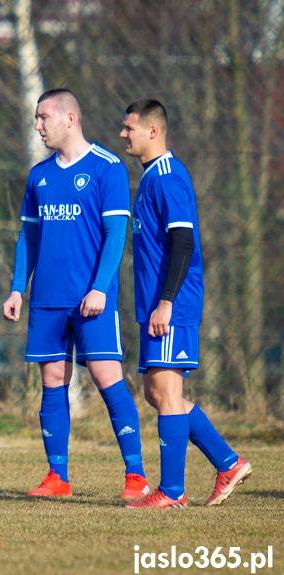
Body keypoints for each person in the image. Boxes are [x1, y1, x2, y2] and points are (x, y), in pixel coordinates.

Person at [2, 89, 150, 500]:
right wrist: (18, 288)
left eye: (43, 117)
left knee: (107, 379)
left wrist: (100, 288)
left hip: (91, 300)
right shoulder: (39, 176)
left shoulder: (108, 169)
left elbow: (115, 233)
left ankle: (135, 476)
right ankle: (57, 477)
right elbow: (27, 236)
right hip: (47, 299)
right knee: (52, 381)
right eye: (35, 118)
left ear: (70, 119)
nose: (38, 125)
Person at [120, 99, 252, 509]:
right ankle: (227, 463)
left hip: (172, 305)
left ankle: (173, 490)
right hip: (156, 305)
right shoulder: (148, 180)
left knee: (166, 390)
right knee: (157, 393)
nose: (123, 134)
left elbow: (183, 242)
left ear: (153, 132)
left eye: (130, 128)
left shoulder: (168, 177)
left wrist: (166, 302)